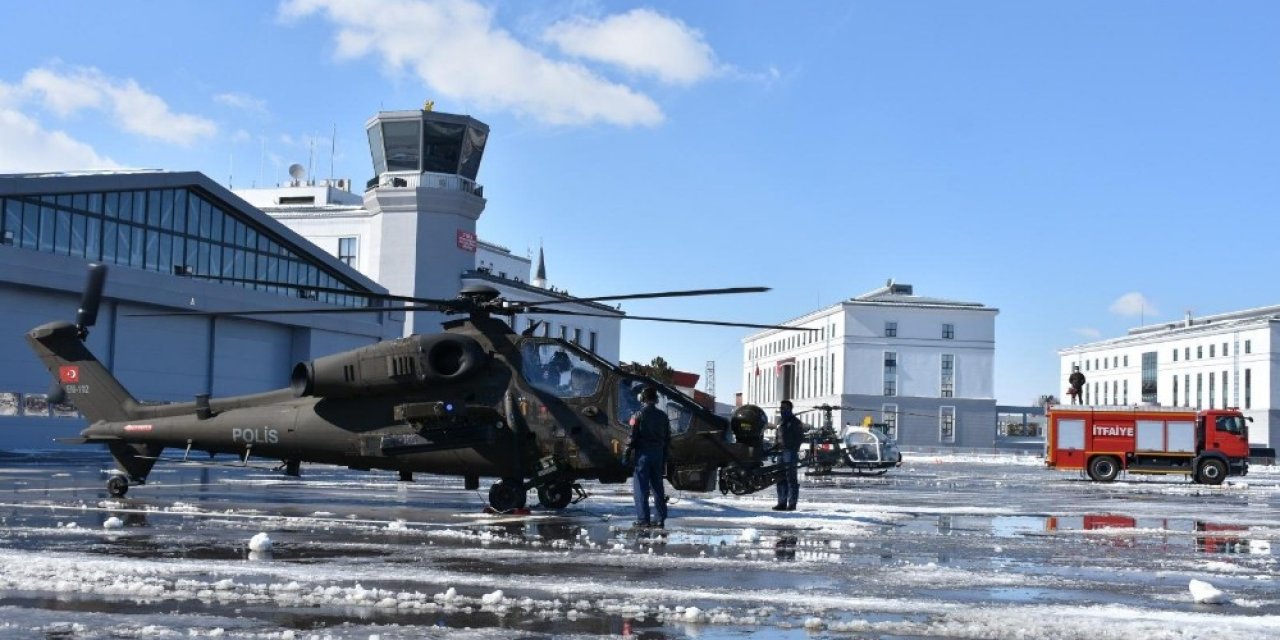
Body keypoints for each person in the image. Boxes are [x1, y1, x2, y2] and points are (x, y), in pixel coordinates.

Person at [625, 386, 671, 528]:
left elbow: (632, 437)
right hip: (658, 455)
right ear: (656, 399)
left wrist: (625, 454)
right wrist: (664, 457)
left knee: (641, 489)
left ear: (642, 399)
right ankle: (659, 519)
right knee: (658, 487)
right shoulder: (663, 416)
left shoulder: (637, 416)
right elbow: (668, 438)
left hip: (643, 456)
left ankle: (643, 520)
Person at [774, 399, 804, 511]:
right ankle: (781, 502)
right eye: (781, 408)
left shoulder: (795, 422)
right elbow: (778, 437)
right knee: (780, 478)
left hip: (789, 452)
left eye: (783, 408)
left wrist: (792, 449)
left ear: (789, 409)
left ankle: (792, 504)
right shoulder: (780, 422)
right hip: (780, 452)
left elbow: (799, 438)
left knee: (791, 478)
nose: (781, 410)